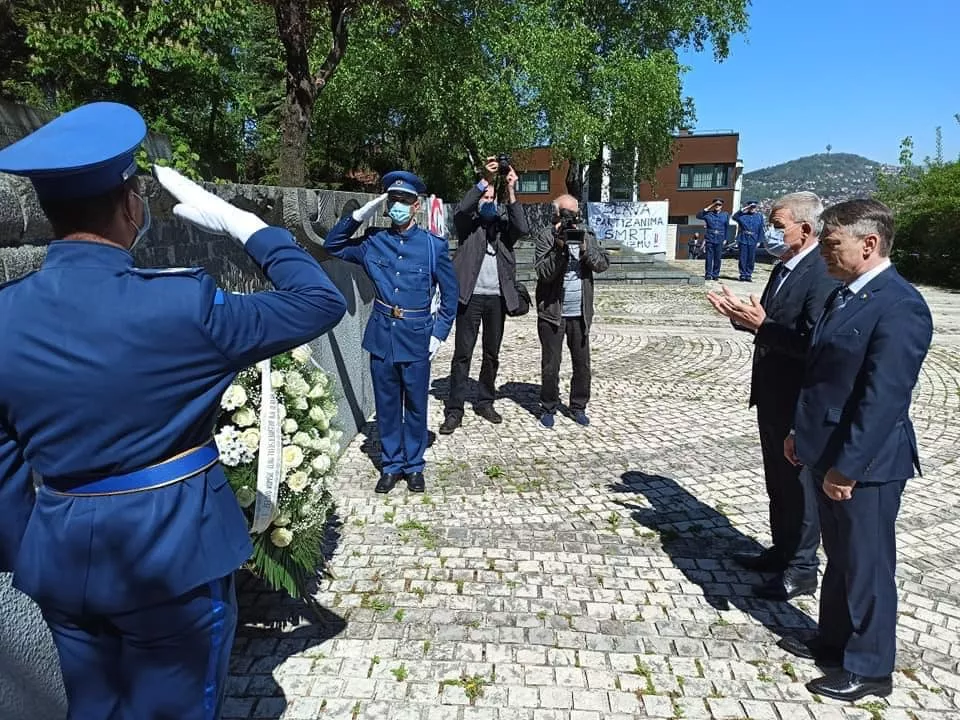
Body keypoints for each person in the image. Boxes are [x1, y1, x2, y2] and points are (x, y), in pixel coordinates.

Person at [0, 101, 348, 719]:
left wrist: (31, 552)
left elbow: (4, 465)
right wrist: (248, 226)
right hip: (173, 556)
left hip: (61, 555)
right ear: (130, 203)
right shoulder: (184, 307)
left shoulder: (6, 314)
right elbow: (319, 301)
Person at [782, 199, 933, 702]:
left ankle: (870, 668)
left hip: (866, 464)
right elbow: (821, 375)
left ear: (869, 244)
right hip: (825, 448)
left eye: (832, 244)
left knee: (868, 564)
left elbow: (883, 399)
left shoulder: (900, 305)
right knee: (841, 556)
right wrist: (800, 433)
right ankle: (834, 641)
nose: (824, 253)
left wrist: (847, 467)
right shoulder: (846, 294)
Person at [707, 192, 839, 601]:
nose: (772, 233)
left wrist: (762, 325)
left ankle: (802, 567)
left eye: (778, 226)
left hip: (798, 399)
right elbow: (766, 320)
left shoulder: (821, 273)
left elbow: (814, 343)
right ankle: (781, 550)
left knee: (799, 485)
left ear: (806, 228)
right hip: (770, 393)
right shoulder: (783, 267)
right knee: (778, 482)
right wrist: (739, 316)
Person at [324, 171, 458, 493]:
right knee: (386, 405)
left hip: (417, 336)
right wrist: (359, 215)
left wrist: (438, 334)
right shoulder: (374, 242)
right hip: (383, 335)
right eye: (393, 200)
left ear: (416, 206)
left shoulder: (433, 246)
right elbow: (333, 245)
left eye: (405, 201)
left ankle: (414, 466)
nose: (398, 206)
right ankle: (391, 464)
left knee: (416, 405)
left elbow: (451, 296)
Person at [440, 156, 529, 434]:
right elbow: (462, 209)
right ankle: (455, 409)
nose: (488, 200)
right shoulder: (468, 226)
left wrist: (511, 189)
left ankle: (485, 401)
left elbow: (523, 228)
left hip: (497, 300)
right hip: (470, 297)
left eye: (492, 197)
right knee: (462, 354)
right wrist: (485, 180)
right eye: (484, 197)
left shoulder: (503, 230)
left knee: (492, 353)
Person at [534, 194, 609, 428]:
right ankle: (548, 406)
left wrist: (585, 249)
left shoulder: (587, 234)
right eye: (565, 213)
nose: (570, 218)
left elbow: (602, 264)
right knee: (551, 365)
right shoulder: (546, 236)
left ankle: (578, 406)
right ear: (556, 214)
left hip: (580, 312)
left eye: (574, 214)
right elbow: (543, 273)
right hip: (552, 312)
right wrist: (559, 249)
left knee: (582, 365)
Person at [696, 198, 730, 280]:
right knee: (709, 257)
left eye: (719, 205)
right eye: (716, 204)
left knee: (717, 258)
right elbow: (698, 216)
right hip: (710, 238)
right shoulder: (708, 214)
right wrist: (709, 207)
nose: (717, 206)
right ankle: (708, 274)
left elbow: (727, 227)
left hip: (720, 238)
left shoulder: (725, 214)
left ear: (721, 206)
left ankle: (715, 274)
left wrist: (725, 238)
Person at [732, 200, 765, 281]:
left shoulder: (759, 216)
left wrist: (759, 241)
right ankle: (742, 274)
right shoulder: (743, 216)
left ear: (756, 208)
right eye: (751, 207)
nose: (752, 208)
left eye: (754, 207)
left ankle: (748, 274)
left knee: (751, 258)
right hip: (743, 238)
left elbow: (761, 229)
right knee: (743, 258)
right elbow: (734, 217)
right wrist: (744, 208)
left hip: (753, 239)